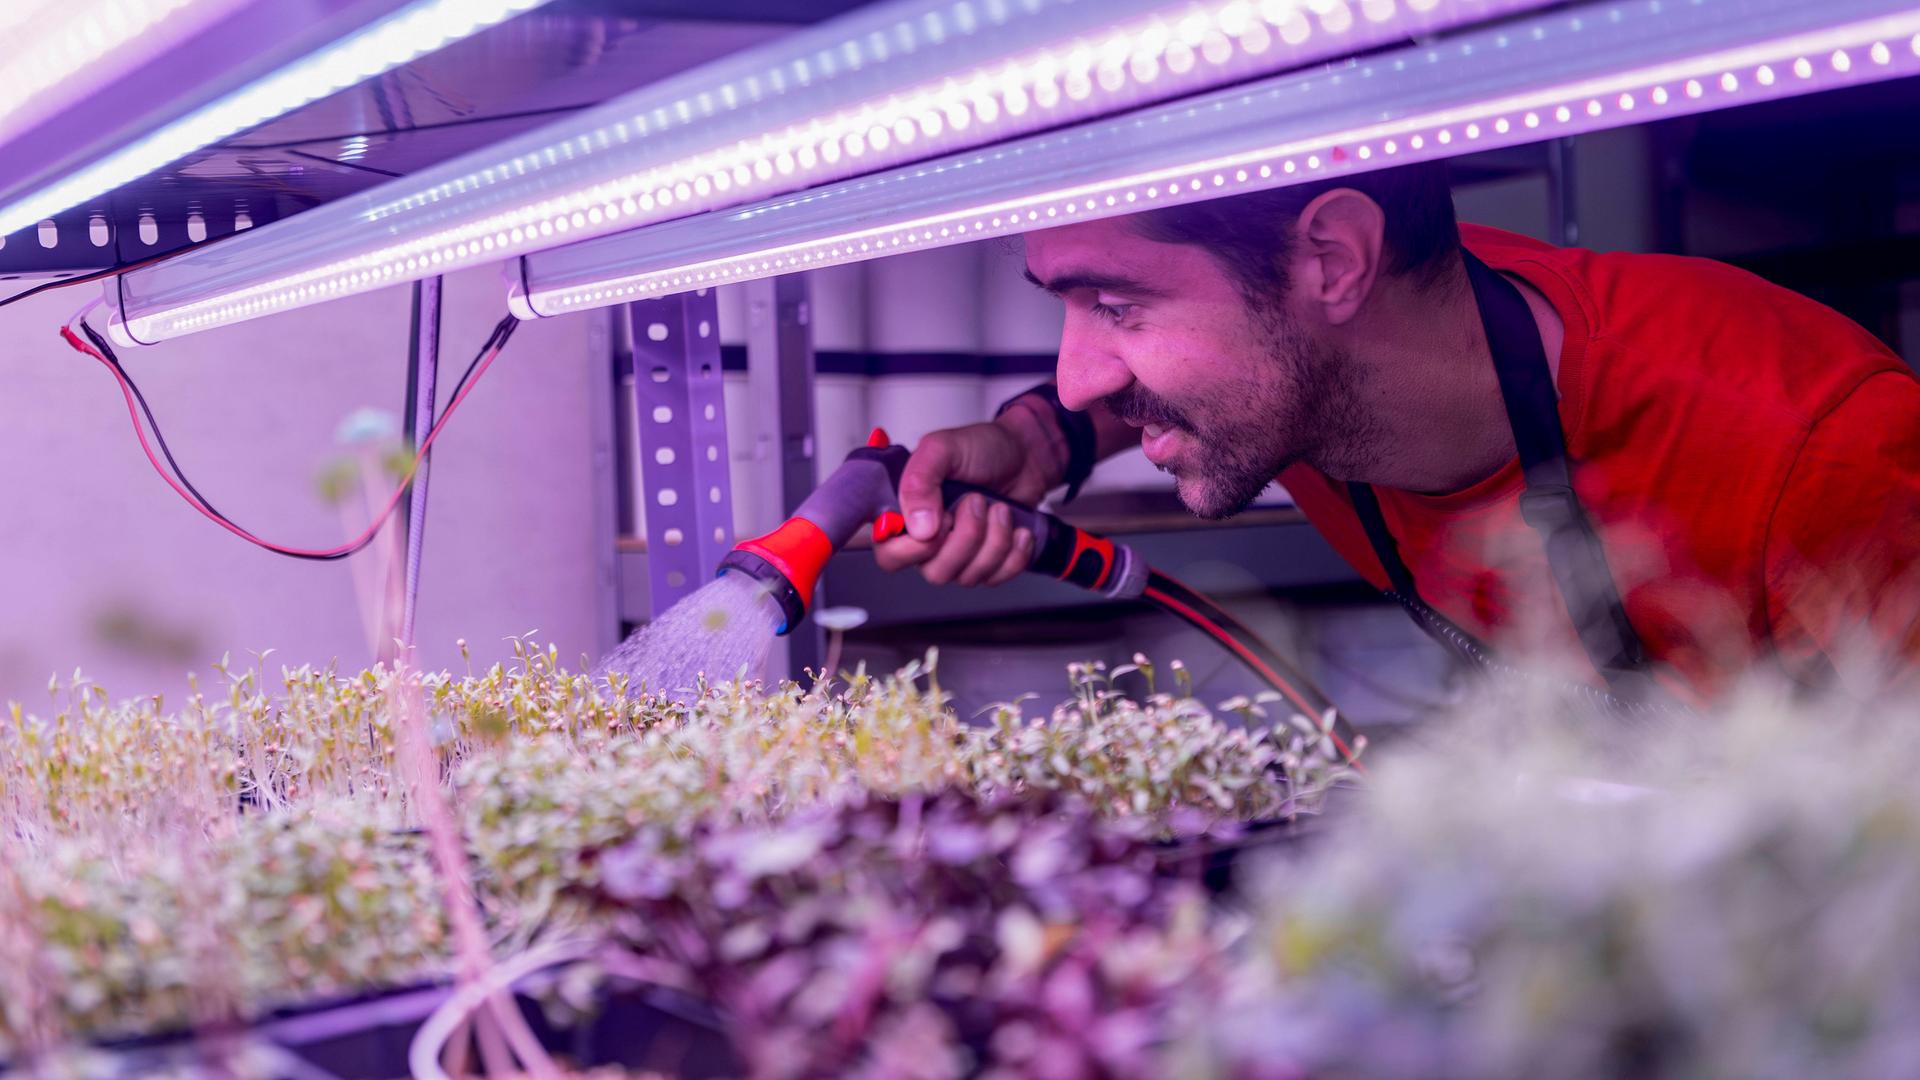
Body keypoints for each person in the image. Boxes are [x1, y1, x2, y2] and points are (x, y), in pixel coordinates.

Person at [872, 162, 1920, 702]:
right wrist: (1032, 445)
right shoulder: (1355, 337)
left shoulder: (1820, 454)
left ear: (1332, 260)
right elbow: (1102, 399)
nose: (1077, 371)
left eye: (1115, 306)